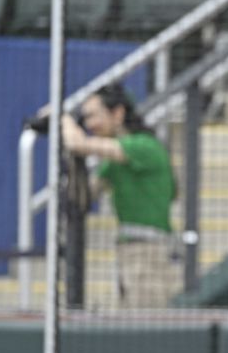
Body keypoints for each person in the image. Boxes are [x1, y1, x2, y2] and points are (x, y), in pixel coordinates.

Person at [60, 83, 179, 309]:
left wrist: (62, 119)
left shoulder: (145, 146)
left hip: (149, 252)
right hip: (128, 251)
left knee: (144, 324)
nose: (89, 125)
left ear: (118, 113)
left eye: (93, 116)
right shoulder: (114, 162)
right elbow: (85, 196)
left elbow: (78, 143)